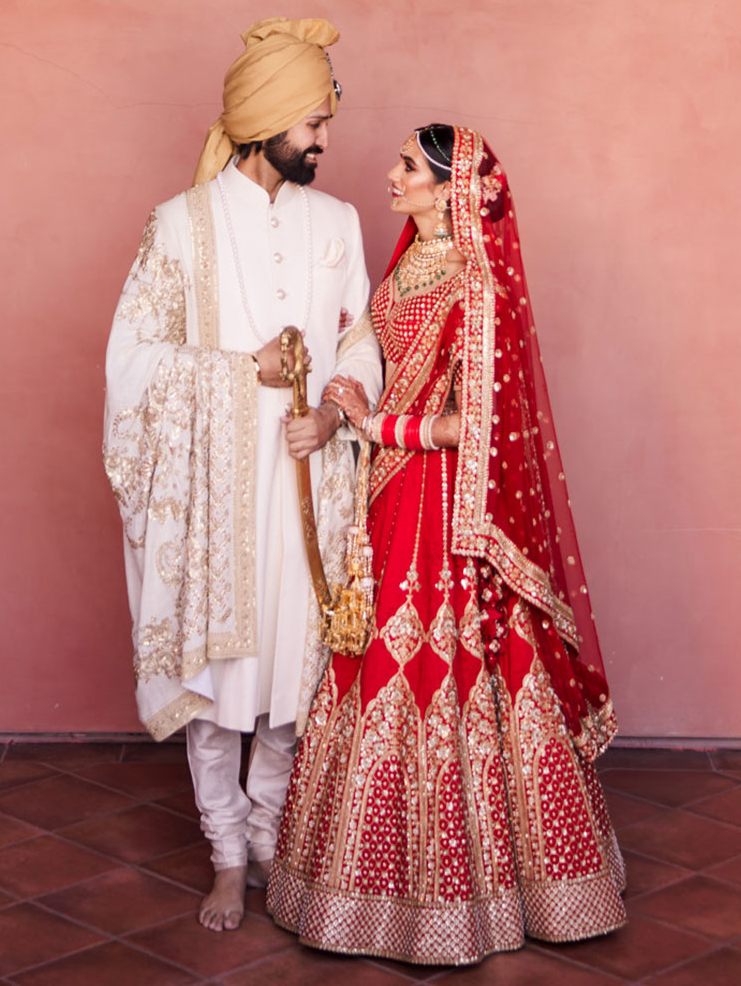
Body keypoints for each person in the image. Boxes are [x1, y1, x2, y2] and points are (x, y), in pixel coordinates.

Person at [267, 123, 625, 965]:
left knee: (448, 677)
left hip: (444, 511)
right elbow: (376, 352)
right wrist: (347, 392)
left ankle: (487, 899)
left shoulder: (477, 283)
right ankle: (363, 893)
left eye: (408, 169)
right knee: (372, 662)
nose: (391, 177)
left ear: (449, 189)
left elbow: (479, 423)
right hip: (391, 505)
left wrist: (377, 423)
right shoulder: (406, 268)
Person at [103, 17, 384, 933]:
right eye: (311, 122)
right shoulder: (178, 228)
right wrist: (241, 375)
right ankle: (226, 852)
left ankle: (268, 830)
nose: (325, 140)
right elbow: (130, 361)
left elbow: (363, 338)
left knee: (300, 673)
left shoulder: (337, 223)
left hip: (310, 488)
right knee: (221, 683)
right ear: (264, 121)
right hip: (217, 498)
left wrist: (337, 409)